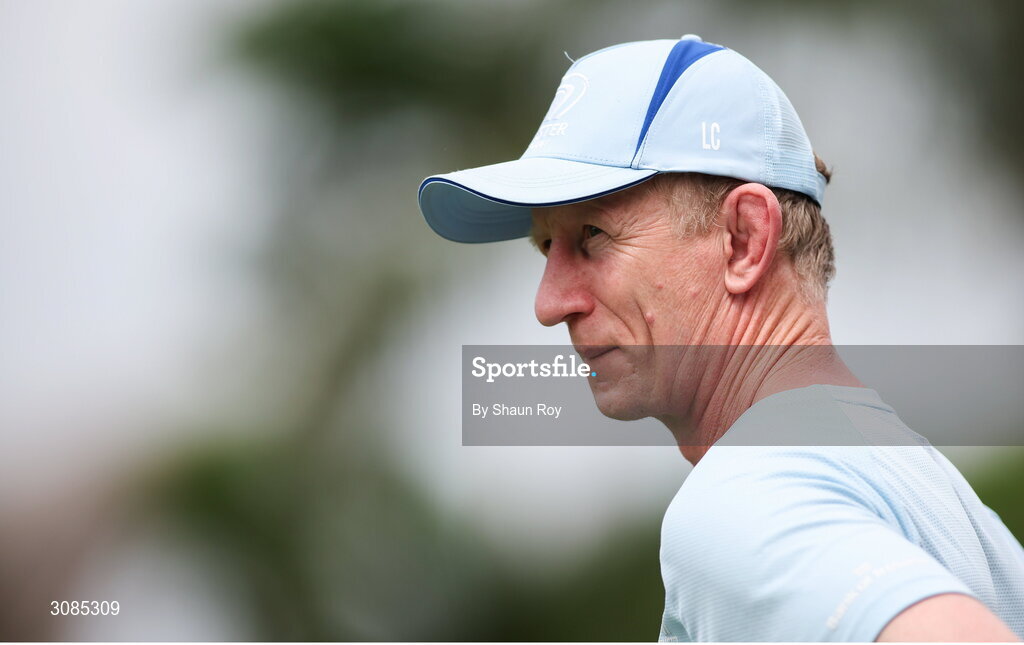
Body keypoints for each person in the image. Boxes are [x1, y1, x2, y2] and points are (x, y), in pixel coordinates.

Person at [417, 36, 1024, 641]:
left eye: (594, 235)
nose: (549, 304)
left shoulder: (744, 500)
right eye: (548, 246)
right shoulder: (946, 501)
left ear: (744, 240)